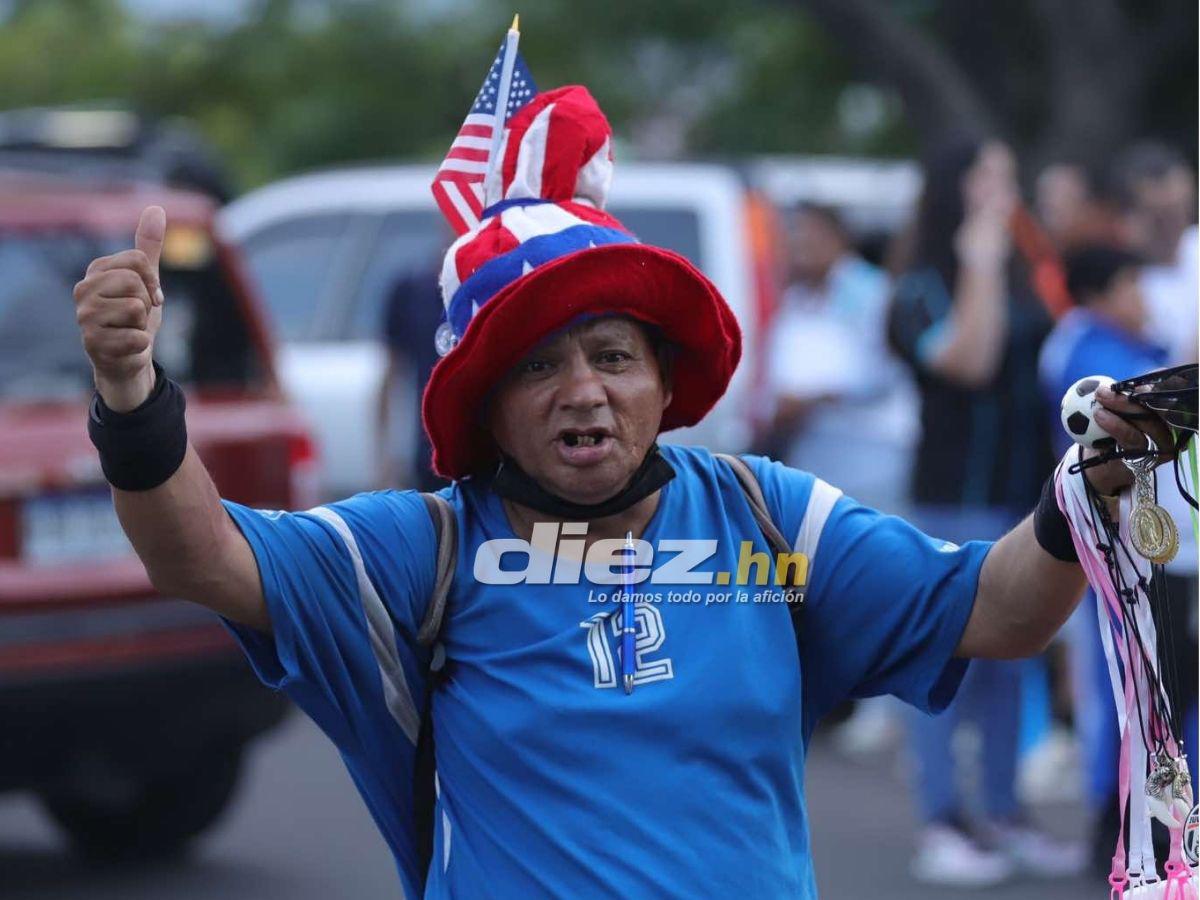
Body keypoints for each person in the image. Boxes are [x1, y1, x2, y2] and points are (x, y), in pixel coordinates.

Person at [73, 85, 1174, 899]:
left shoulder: (767, 520)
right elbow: (197, 555)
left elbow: (999, 611)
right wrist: (132, 394)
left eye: (612, 355)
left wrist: (1080, 491)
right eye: (538, 367)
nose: (584, 391)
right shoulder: (421, 553)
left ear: (663, 378)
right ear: (486, 408)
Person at [887, 135, 1080, 886]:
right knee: (948, 659)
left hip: (1020, 498)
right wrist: (979, 264)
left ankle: (1004, 814)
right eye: (989, 178)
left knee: (1013, 661)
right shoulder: (920, 287)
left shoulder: (1027, 270)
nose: (1005, 192)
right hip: (950, 499)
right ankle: (941, 821)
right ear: (954, 188)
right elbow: (971, 360)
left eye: (1009, 176)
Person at [1037, 243, 1180, 874]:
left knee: (1170, 690)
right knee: (1124, 689)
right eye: (1131, 284)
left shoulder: (1139, 344)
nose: (1144, 298)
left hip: (1165, 552)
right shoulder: (1083, 352)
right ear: (1099, 294)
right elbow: (1140, 406)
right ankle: (1115, 828)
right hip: (1113, 550)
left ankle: (1168, 829)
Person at [760, 203, 916, 517]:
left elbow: (882, 373)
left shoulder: (871, 291)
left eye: (810, 233)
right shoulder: (796, 298)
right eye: (794, 234)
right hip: (814, 452)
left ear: (838, 237)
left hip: (869, 453)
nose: (800, 243)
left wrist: (814, 399)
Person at [377, 265, 449, 493]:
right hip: (426, 456)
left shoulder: (490, 284)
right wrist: (385, 458)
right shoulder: (413, 292)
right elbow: (391, 375)